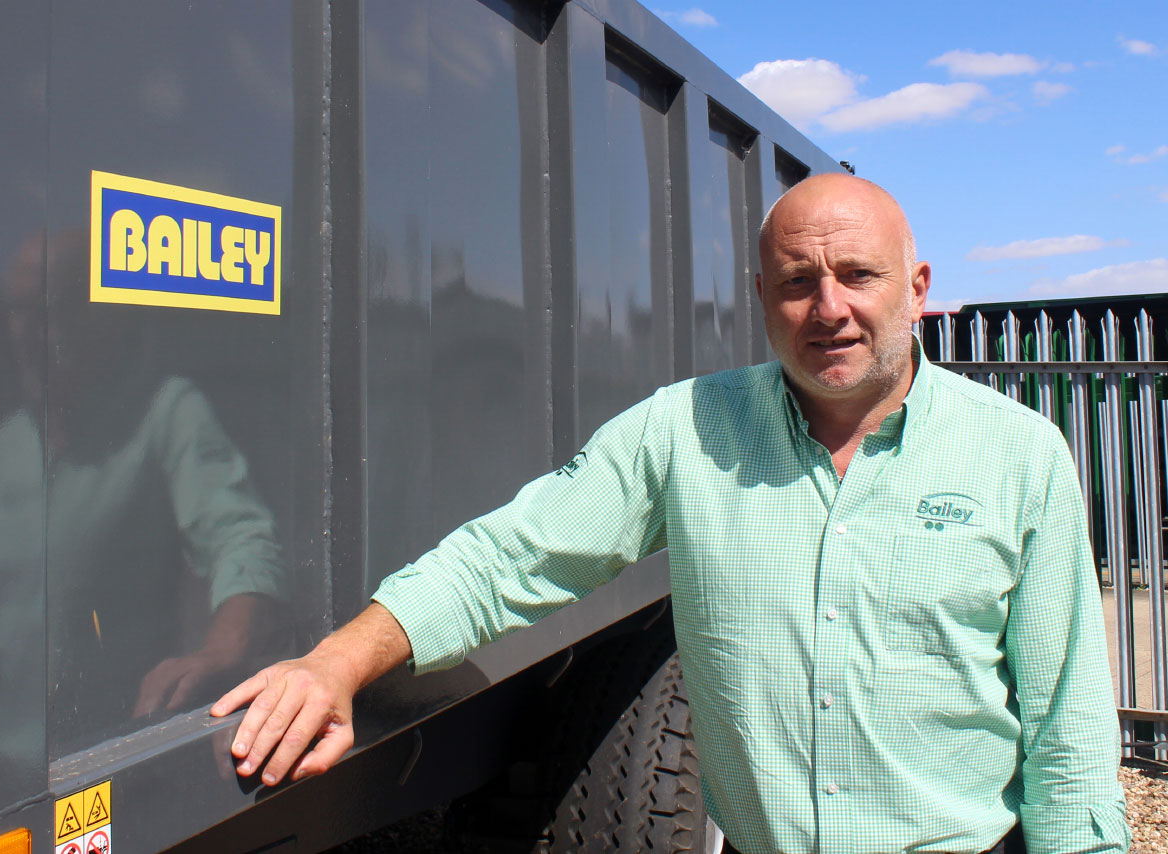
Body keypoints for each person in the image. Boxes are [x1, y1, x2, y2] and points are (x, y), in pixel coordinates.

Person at [212, 173, 1129, 854]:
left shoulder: (1019, 456)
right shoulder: (684, 432)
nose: (831, 308)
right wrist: (338, 662)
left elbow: (1066, 733)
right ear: (762, 297)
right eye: (797, 282)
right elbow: (510, 558)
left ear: (917, 288)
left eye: (860, 275)